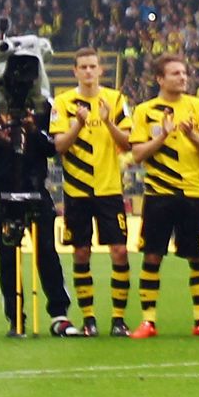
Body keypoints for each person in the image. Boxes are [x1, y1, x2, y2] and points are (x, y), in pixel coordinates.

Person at [126, 54, 199, 338]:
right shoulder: (145, 111)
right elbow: (137, 154)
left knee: (198, 257)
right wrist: (162, 137)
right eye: (175, 73)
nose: (182, 77)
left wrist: (192, 136)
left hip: (193, 193)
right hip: (159, 193)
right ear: (160, 78)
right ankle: (148, 321)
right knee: (153, 255)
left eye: (184, 73)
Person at [48, 48, 134, 336]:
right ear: (75, 71)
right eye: (82, 67)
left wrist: (108, 121)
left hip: (110, 189)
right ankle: (88, 319)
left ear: (100, 70)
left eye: (92, 66)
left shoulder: (116, 99)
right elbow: (59, 146)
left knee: (120, 251)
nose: (87, 71)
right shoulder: (62, 102)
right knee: (81, 252)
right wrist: (79, 125)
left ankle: (119, 319)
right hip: (77, 190)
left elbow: (129, 142)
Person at [0, 104, 73, 337]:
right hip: (3, 195)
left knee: (47, 253)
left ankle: (60, 315)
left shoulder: (44, 107)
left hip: (36, 191)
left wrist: (33, 129)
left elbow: (51, 148)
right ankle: (15, 319)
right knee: (8, 259)